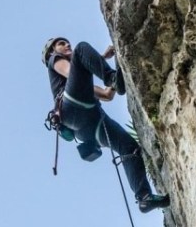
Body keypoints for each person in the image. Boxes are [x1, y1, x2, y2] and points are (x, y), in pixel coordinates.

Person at [42, 36, 170, 213]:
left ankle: (144, 197)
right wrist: (103, 61)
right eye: (61, 44)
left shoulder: (81, 84)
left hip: (87, 127)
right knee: (81, 48)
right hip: (72, 108)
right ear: (52, 51)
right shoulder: (54, 59)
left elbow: (107, 95)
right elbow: (72, 72)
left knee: (128, 146)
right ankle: (110, 76)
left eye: (66, 42)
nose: (67, 44)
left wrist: (120, 64)